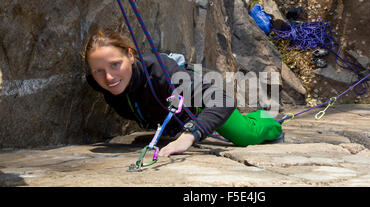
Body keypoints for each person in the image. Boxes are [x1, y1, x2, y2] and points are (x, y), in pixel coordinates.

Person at [81, 29, 282, 157]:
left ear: (131, 56)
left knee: (246, 134)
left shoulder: (163, 76)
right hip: (177, 113)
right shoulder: (98, 82)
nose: (108, 77)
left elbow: (223, 100)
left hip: (201, 102)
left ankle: (269, 118)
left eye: (115, 64)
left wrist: (190, 135)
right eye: (99, 70)